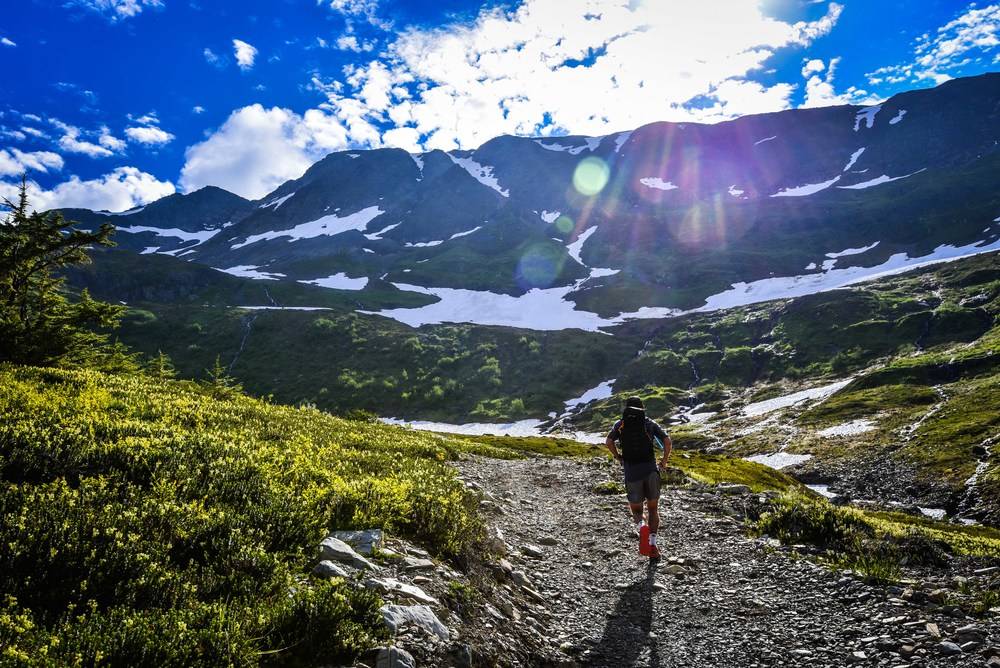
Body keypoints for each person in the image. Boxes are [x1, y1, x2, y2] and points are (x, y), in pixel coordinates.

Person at [605, 396, 672, 560]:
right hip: (651, 471)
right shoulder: (649, 423)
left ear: (626, 408)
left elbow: (608, 441)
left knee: (636, 510)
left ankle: (642, 526)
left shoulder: (620, 424)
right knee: (653, 509)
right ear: (642, 408)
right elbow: (667, 441)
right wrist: (664, 461)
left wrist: (618, 457)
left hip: (632, 473)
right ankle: (653, 544)